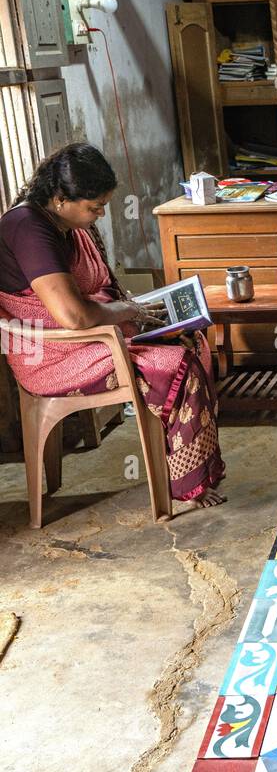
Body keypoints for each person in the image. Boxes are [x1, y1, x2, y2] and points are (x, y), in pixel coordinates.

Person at [0, 143, 225, 511]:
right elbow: (73, 317)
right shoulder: (27, 228)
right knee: (177, 364)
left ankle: (195, 471)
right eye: (94, 207)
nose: (101, 215)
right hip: (55, 354)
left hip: (89, 339)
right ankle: (187, 481)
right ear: (59, 198)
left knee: (189, 336)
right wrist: (127, 311)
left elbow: (89, 300)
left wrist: (131, 310)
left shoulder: (60, 223)